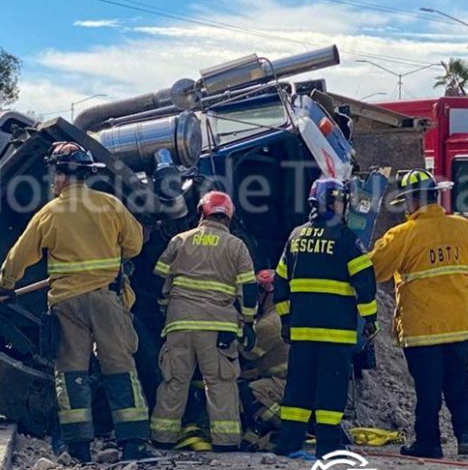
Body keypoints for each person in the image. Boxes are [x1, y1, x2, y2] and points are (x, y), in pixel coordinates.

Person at [0, 141, 149, 463]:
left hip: (67, 304)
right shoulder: (110, 205)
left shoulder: (49, 213)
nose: (53, 181)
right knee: (119, 367)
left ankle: (79, 446)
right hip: (108, 300)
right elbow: (134, 245)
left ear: (62, 176)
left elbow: (19, 256)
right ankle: (133, 443)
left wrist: (6, 285)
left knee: (71, 373)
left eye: (54, 174)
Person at [369, 168, 468, 459]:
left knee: (428, 391)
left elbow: (376, 270)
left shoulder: (402, 235)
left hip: (422, 329)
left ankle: (429, 443)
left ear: (413, 201)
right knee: (458, 385)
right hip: (458, 326)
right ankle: (466, 437)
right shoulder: (463, 227)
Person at [272, 178, 376, 459]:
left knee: (298, 390)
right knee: (330, 391)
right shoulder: (346, 239)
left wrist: (285, 320)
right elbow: (365, 284)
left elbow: (279, 284)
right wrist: (371, 320)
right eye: (341, 201)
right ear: (330, 203)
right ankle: (328, 447)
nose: (344, 207)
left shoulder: (295, 237)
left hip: (302, 333)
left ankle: (289, 443)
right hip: (336, 334)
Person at [149, 191, 257, 451]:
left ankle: (162, 438)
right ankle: (226, 441)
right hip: (219, 329)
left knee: (174, 380)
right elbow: (249, 289)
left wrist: (166, 308)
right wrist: (249, 323)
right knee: (220, 383)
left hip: (180, 324)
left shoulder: (179, 240)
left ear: (201, 213)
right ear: (228, 217)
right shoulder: (236, 246)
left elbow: (157, 280)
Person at [238, 270, 289, 451]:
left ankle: (283, 425)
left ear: (270, 293)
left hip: (283, 384)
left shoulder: (271, 322)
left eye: (259, 291)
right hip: (287, 380)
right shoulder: (280, 315)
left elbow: (247, 352)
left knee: (248, 392)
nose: (256, 296)